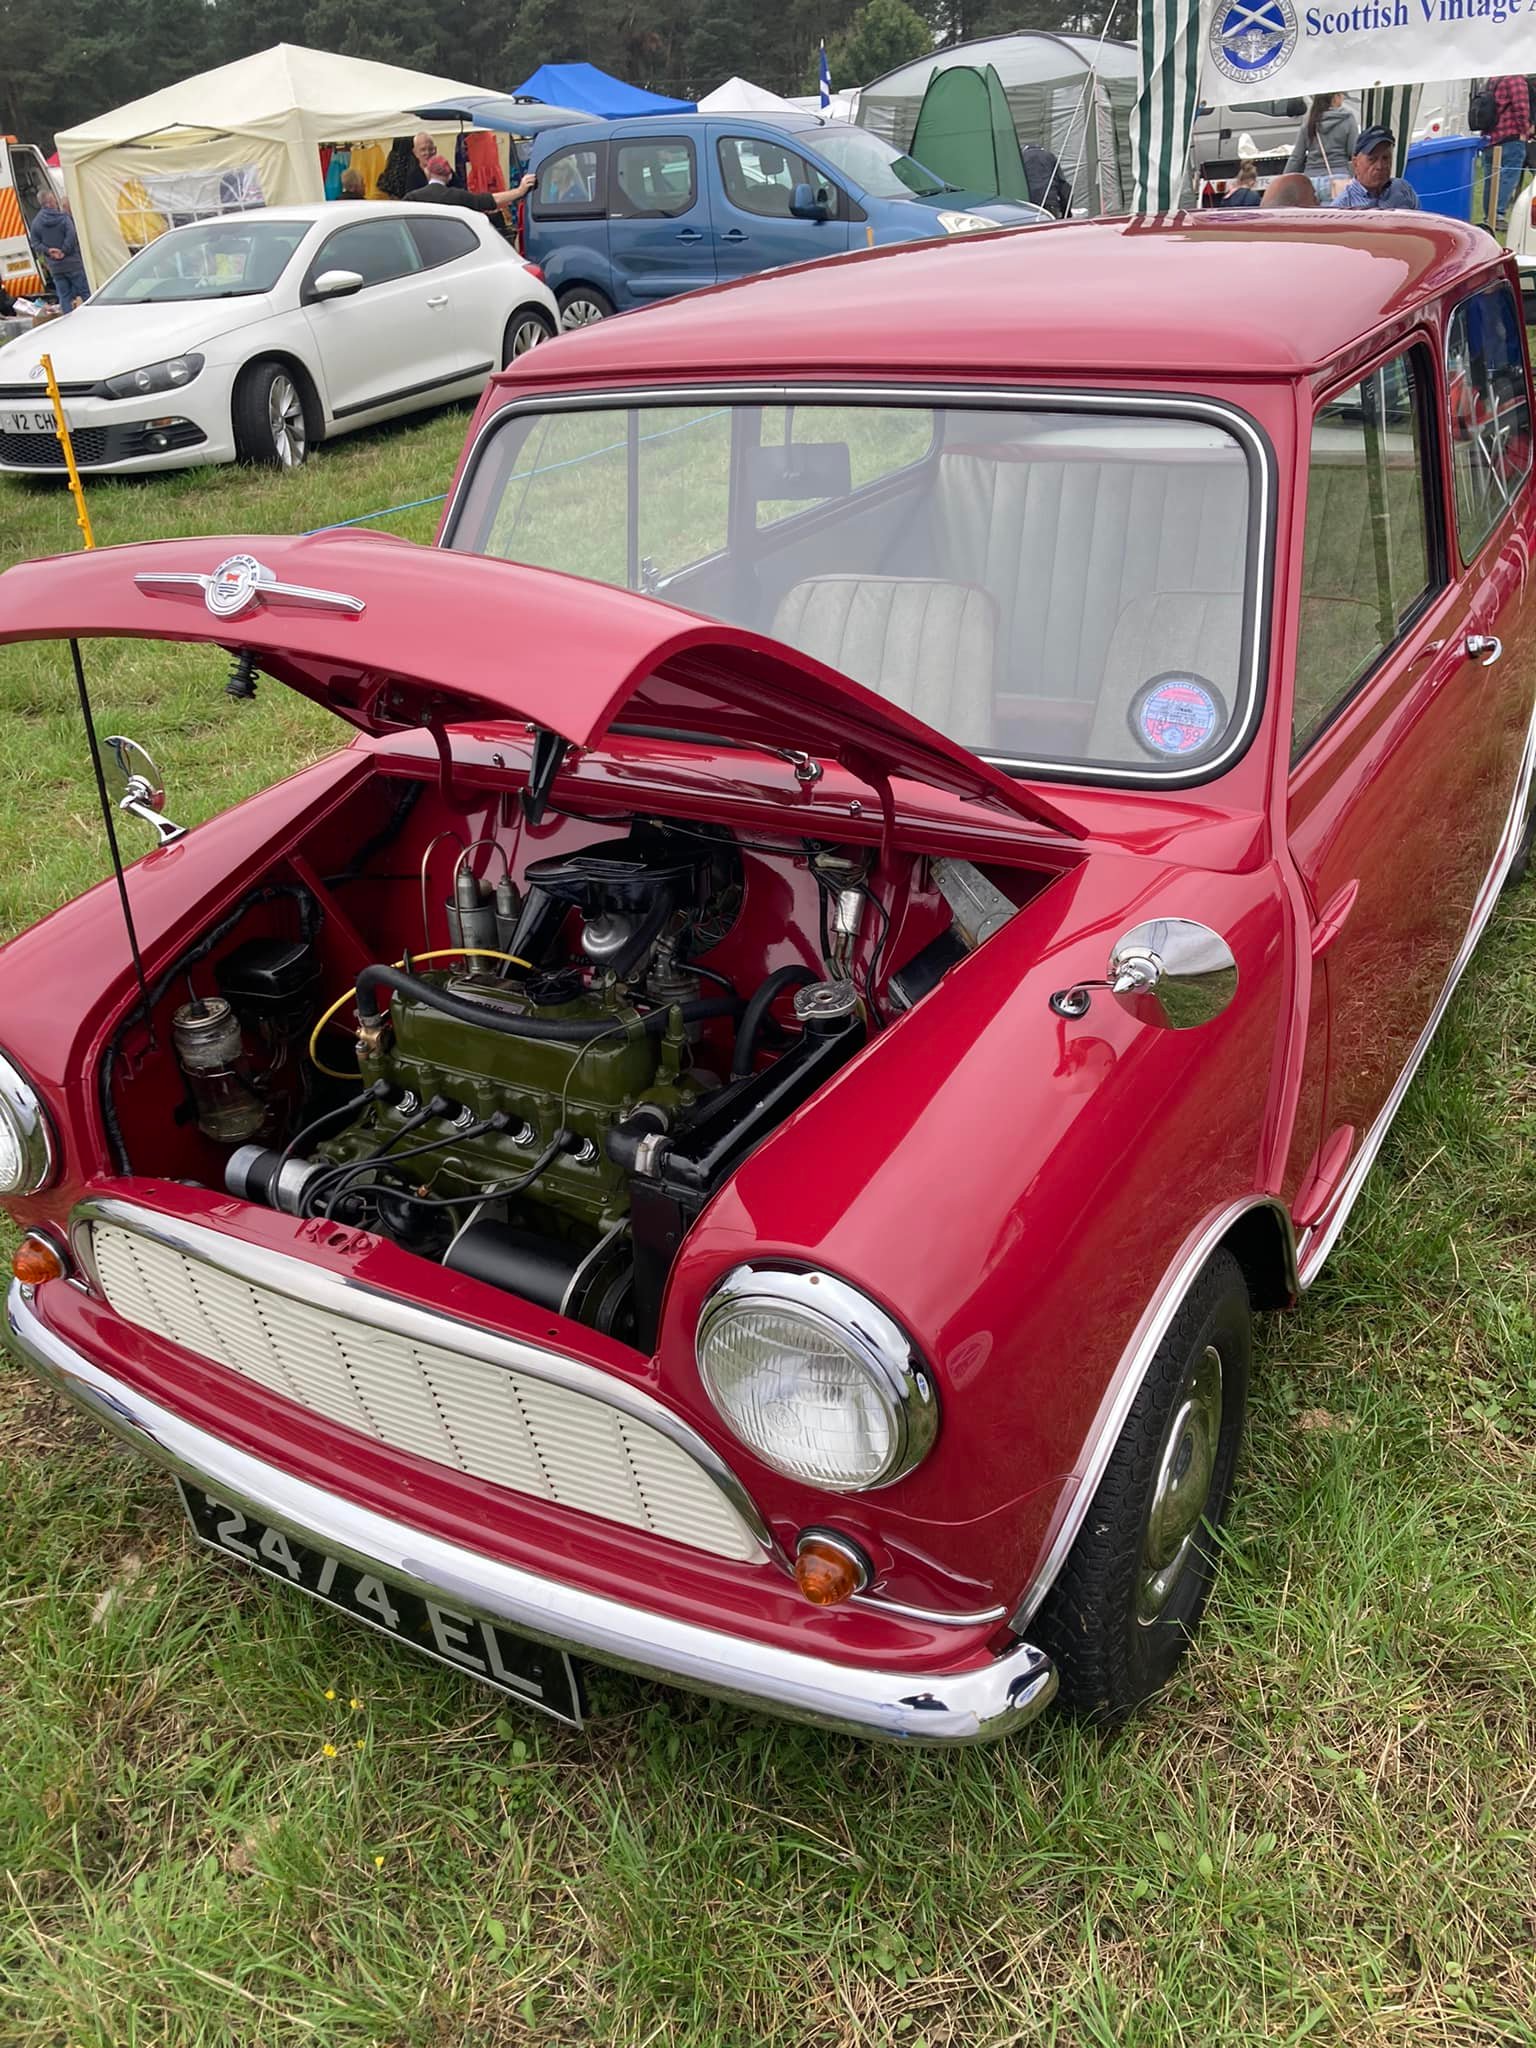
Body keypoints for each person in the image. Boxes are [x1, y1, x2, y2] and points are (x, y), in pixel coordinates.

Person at [1286, 93, 1358, 199]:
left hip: (1310, 181)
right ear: (1335, 97)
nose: (1343, 98)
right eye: (1341, 95)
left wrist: (1283, 180)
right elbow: (1353, 151)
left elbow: (1296, 158)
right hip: (1338, 179)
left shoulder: (1310, 120)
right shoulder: (1347, 118)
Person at [413, 154, 535, 216]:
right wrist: (520, 190)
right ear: (449, 175)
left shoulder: (412, 198)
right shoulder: (458, 196)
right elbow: (492, 200)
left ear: (427, 172)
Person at [1484, 75, 1532, 230]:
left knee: (1490, 179)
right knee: (1509, 176)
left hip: (1490, 137)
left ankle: (1488, 215)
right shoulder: (1516, 80)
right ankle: (1498, 215)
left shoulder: (1493, 79)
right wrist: (1526, 131)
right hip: (1510, 136)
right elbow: (1522, 108)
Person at [1330, 127, 1419, 210]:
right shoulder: (1343, 207)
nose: (1380, 166)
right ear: (1355, 163)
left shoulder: (1403, 189)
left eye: (1386, 158)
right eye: (1372, 159)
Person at [28, 189, 89, 310]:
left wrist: (48, 251)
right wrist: (64, 251)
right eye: (54, 199)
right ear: (51, 202)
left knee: (64, 297)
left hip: (56, 268)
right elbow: (72, 236)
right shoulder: (64, 218)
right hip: (73, 264)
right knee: (85, 293)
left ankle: (68, 321)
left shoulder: (36, 223)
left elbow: (35, 243)